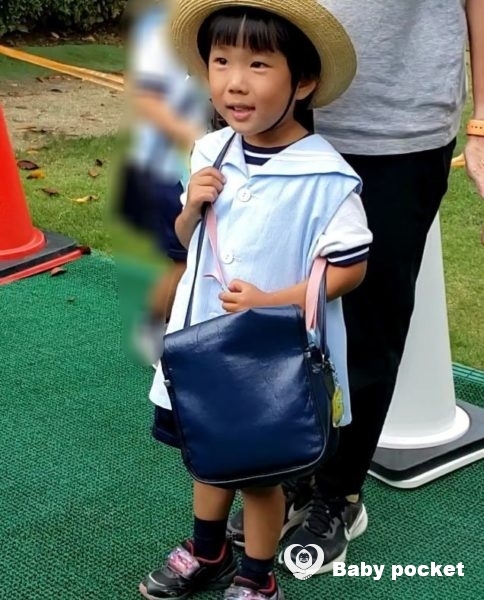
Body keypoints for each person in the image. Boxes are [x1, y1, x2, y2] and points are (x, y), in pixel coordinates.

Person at [227, 0, 484, 575]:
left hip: (400, 126)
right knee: (277, 306)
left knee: (369, 320)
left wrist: (483, 120)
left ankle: (338, 493)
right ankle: (295, 469)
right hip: (282, 107)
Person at [140, 1, 372, 599]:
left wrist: (274, 298)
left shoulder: (328, 178)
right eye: (221, 62)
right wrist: (191, 207)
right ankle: (208, 551)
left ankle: (257, 578)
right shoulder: (209, 153)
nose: (234, 82)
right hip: (202, 347)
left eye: (258, 64)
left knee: (260, 477)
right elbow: (186, 240)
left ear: (304, 81)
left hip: (270, 361)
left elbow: (350, 269)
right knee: (207, 452)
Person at [118, 0, 207, 365]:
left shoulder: (206, 24)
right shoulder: (161, 30)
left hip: (189, 168)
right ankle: (154, 331)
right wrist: (196, 137)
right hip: (168, 171)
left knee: (198, 257)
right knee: (183, 261)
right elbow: (147, 100)